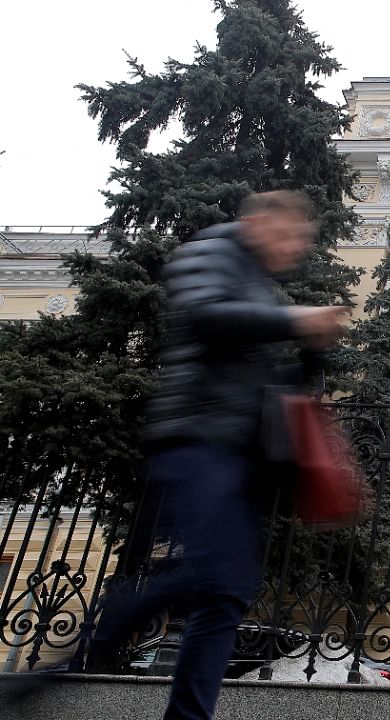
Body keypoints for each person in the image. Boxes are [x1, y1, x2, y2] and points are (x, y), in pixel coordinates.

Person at [72, 191, 347, 719]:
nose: (295, 249)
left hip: (241, 451)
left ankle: (187, 713)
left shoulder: (261, 287)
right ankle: (104, 633)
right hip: (196, 438)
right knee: (212, 578)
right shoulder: (212, 251)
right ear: (260, 222)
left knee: (228, 591)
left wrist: (313, 352)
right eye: (289, 235)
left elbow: (272, 378)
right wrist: (295, 321)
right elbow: (203, 315)